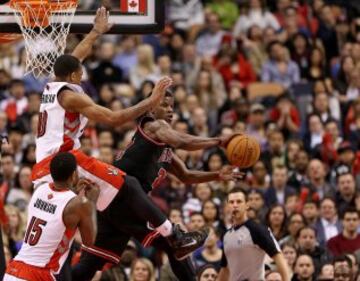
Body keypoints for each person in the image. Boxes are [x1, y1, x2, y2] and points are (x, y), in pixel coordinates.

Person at [31, 7, 209, 269]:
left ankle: (166, 238)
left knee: (120, 195)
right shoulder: (71, 96)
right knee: (130, 184)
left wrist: (95, 32)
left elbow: (74, 57)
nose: (83, 75)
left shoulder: (54, 83)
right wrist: (150, 101)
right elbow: (114, 119)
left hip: (47, 164)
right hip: (65, 160)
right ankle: (175, 235)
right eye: (80, 73)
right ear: (72, 77)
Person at [72, 91, 241, 280]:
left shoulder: (164, 147)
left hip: (116, 204)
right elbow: (181, 140)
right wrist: (218, 141)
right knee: (175, 243)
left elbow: (186, 175)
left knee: (91, 263)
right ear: (151, 108)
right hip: (125, 196)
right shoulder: (153, 125)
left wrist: (217, 175)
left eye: (172, 106)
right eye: (165, 105)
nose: (170, 110)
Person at [3, 152, 99, 280]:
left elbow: (57, 206)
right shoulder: (80, 204)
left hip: (13, 270)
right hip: (37, 273)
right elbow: (89, 242)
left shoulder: (40, 190)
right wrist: (92, 202)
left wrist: (74, 192)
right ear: (74, 174)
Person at [217, 188, 290, 281]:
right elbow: (225, 269)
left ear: (247, 205)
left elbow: (279, 257)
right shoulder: (226, 235)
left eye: (239, 202)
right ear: (227, 206)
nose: (235, 205)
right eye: (231, 202)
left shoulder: (257, 230)